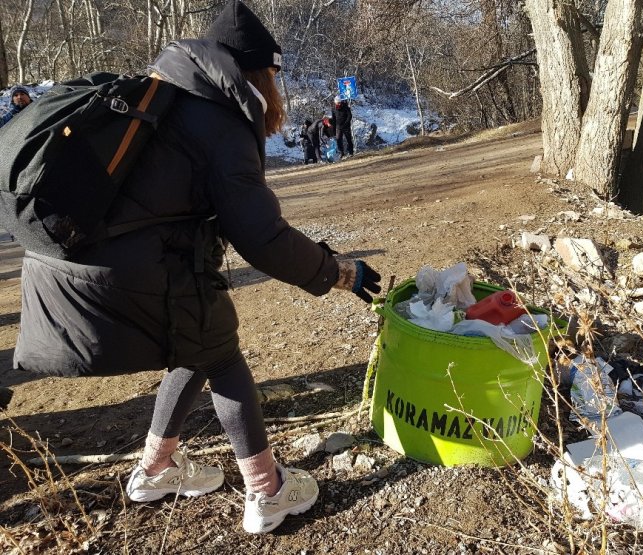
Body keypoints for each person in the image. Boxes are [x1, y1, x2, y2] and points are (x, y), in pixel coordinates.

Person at [12, 0, 381, 535]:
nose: (277, 86)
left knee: (195, 339)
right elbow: (262, 237)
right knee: (222, 352)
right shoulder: (217, 122)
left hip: (64, 264)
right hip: (123, 272)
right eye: (274, 74)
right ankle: (268, 493)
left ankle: (155, 471)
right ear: (257, 70)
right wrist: (339, 271)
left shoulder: (164, 94)